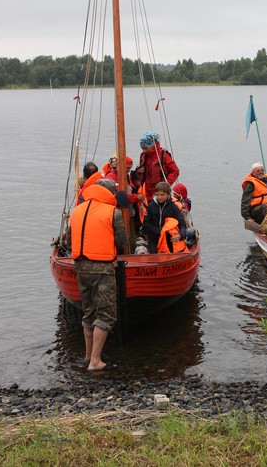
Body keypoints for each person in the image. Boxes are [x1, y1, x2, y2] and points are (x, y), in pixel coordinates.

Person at [69, 178, 130, 372]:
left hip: (80, 267)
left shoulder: (77, 210)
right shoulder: (112, 212)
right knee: (106, 314)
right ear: (110, 193)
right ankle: (96, 361)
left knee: (89, 312)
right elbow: (122, 241)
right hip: (102, 269)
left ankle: (88, 356)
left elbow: (71, 238)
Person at [142, 182, 187, 254]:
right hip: (154, 239)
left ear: (168, 194)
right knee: (154, 255)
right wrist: (160, 232)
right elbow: (146, 224)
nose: (159, 197)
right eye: (157, 195)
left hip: (169, 239)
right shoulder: (151, 206)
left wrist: (180, 235)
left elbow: (182, 224)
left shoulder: (173, 207)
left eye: (162, 195)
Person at [137, 131, 179, 203]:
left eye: (146, 148)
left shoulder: (163, 155)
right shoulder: (143, 155)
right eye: (142, 148)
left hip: (160, 193)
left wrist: (166, 185)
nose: (144, 150)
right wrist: (138, 171)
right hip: (146, 192)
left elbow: (175, 171)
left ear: (152, 145)